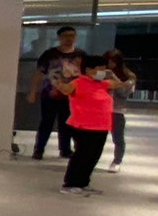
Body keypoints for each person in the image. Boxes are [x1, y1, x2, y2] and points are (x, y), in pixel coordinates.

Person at [51, 54, 128, 196]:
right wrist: (58, 79)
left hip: (101, 126)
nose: (102, 72)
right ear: (88, 69)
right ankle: (70, 183)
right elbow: (65, 89)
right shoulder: (78, 83)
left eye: (104, 69)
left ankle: (83, 182)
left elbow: (122, 85)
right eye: (99, 69)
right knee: (82, 155)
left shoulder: (102, 84)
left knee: (94, 156)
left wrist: (111, 74)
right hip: (84, 126)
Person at [27, 25, 79, 160]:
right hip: (50, 94)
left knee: (67, 124)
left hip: (71, 96)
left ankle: (65, 149)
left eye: (72, 36)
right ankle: (39, 149)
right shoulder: (50, 54)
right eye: (66, 36)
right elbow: (39, 73)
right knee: (46, 123)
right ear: (59, 38)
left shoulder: (80, 55)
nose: (69, 39)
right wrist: (33, 91)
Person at [105, 49, 136, 172]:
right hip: (100, 109)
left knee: (118, 138)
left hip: (117, 110)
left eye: (113, 61)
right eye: (108, 61)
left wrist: (114, 78)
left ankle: (117, 161)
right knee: (93, 137)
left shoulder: (129, 77)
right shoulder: (101, 73)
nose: (110, 64)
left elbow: (123, 93)